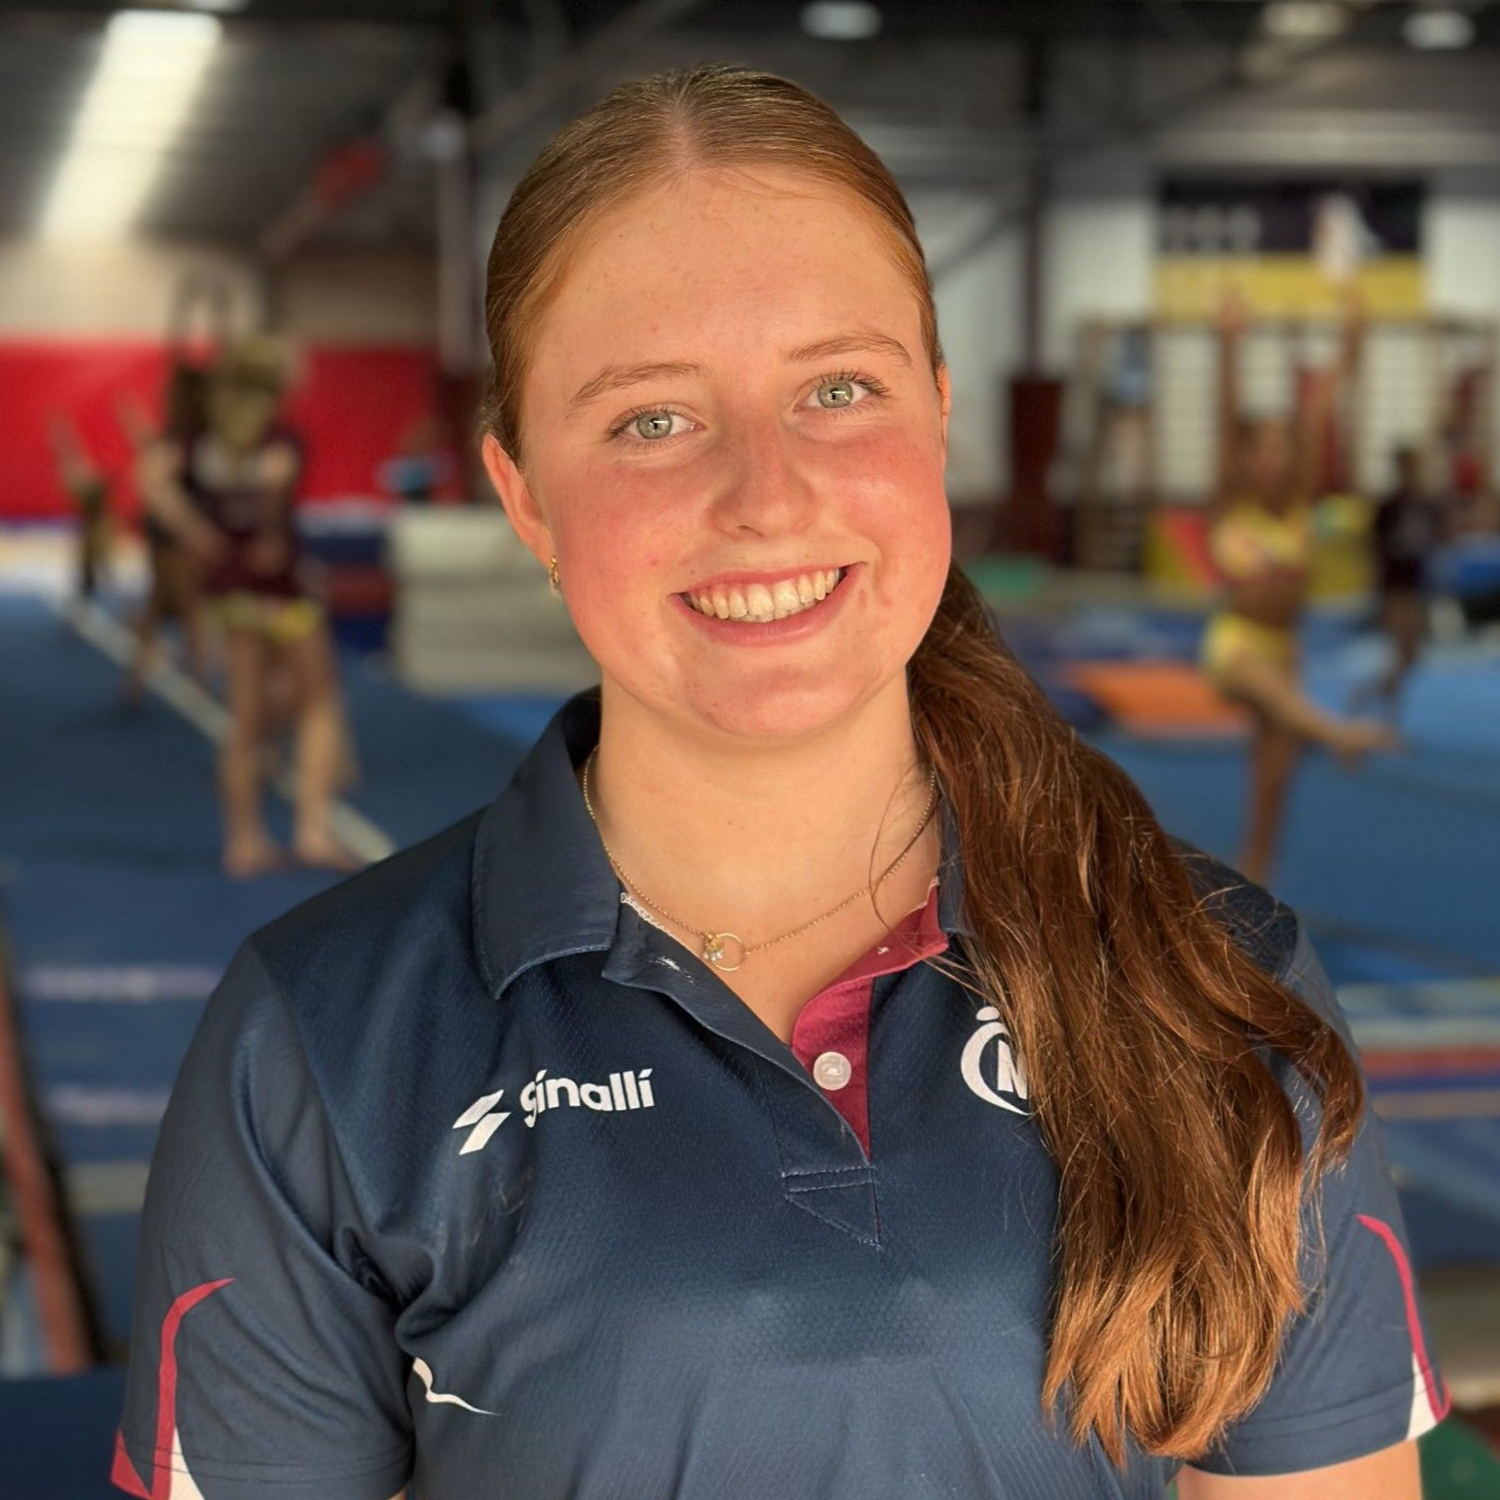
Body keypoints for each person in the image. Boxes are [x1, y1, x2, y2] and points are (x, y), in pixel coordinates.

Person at [115, 67, 1442, 1500]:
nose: (766, 494)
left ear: (936, 418)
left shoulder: (1217, 983)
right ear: (524, 498)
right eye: (651, 421)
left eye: (837, 389)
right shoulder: (324, 1041)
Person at [137, 336, 358, 878]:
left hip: (230, 591)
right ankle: (311, 829)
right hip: (282, 590)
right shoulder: (280, 438)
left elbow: (149, 477)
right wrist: (270, 534)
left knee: (245, 718)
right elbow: (275, 511)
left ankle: (242, 841)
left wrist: (197, 532)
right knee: (319, 703)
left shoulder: (203, 442)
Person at [1202, 293, 1396, 885]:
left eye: (1280, 446)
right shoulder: (1229, 501)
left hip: (1286, 647)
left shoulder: (1298, 506)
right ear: (1245, 455)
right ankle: (1340, 732)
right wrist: (1230, 344)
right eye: (1259, 446)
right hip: (1236, 644)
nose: (1271, 456)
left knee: (1274, 769)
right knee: (1276, 702)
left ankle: (1258, 869)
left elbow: (1317, 412)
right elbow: (1226, 410)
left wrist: (1351, 342)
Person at [116, 366, 212, 703]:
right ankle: (194, 679)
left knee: (165, 607)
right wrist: (193, 529)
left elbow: (149, 457)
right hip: (172, 537)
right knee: (186, 609)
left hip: (170, 536)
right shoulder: (185, 441)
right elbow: (150, 473)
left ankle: (142, 680)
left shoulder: (191, 438)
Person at [1355, 444, 1447, 718]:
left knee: (1411, 657)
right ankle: (1389, 719)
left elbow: (1439, 538)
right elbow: (1371, 546)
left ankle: (1366, 696)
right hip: (1394, 589)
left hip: (1417, 586)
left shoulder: (1427, 504)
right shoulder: (1389, 505)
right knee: (1399, 654)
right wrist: (1374, 587)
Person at [48, 415, 113, 604]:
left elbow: (70, 453)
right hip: (93, 524)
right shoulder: (79, 475)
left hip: (97, 524)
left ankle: (90, 583)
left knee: (92, 559)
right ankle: (88, 585)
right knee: (89, 561)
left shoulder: (84, 478)